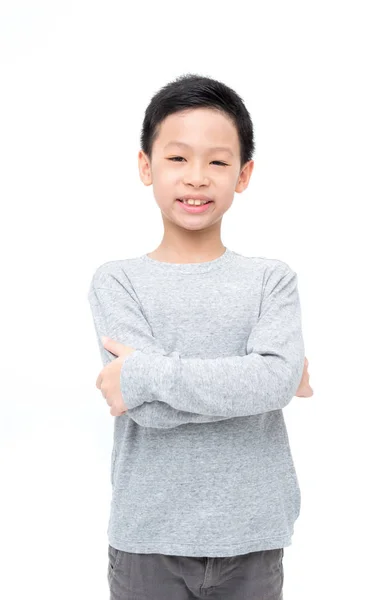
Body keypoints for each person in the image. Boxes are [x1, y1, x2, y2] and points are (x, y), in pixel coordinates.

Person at [88, 73, 313, 600]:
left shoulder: (270, 279)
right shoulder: (117, 281)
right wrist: (256, 378)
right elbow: (147, 411)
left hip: (253, 536)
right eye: (177, 158)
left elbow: (273, 383)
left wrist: (144, 373)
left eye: (217, 161)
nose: (197, 177)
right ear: (146, 166)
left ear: (244, 173)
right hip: (148, 539)